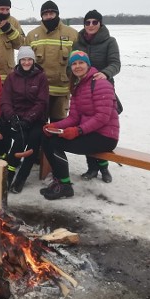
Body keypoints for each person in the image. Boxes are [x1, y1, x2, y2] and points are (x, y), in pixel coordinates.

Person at [40, 51, 119, 200]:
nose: (77, 66)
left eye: (81, 63)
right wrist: (55, 125)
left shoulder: (101, 83)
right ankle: (59, 181)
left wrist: (78, 130)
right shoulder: (78, 86)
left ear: (88, 65)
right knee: (47, 138)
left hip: (105, 136)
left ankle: (65, 186)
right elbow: (74, 117)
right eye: (74, 63)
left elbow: (102, 117)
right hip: (89, 133)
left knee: (55, 143)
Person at [73, 9, 121, 182]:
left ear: (100, 24)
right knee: (85, 127)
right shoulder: (78, 42)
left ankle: (104, 167)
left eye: (95, 22)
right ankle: (92, 168)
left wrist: (105, 74)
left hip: (102, 89)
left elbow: (115, 64)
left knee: (102, 128)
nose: (91, 25)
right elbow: (72, 63)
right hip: (82, 90)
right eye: (88, 22)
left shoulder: (109, 41)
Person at [0, 46, 49, 193]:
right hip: (17, 117)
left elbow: (42, 102)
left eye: (29, 59)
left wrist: (29, 119)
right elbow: (5, 100)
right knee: (20, 139)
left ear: (33, 61)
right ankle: (9, 172)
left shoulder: (41, 77)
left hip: (36, 118)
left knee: (33, 139)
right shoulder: (12, 77)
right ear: (19, 61)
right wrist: (12, 116)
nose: (26, 62)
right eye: (23, 59)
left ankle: (22, 176)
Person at [25, 0, 78, 121]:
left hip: (62, 90)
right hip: (38, 92)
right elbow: (25, 63)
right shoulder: (32, 35)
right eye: (45, 14)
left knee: (58, 126)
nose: (48, 17)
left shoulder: (72, 34)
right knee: (38, 126)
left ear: (57, 14)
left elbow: (79, 62)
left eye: (51, 13)